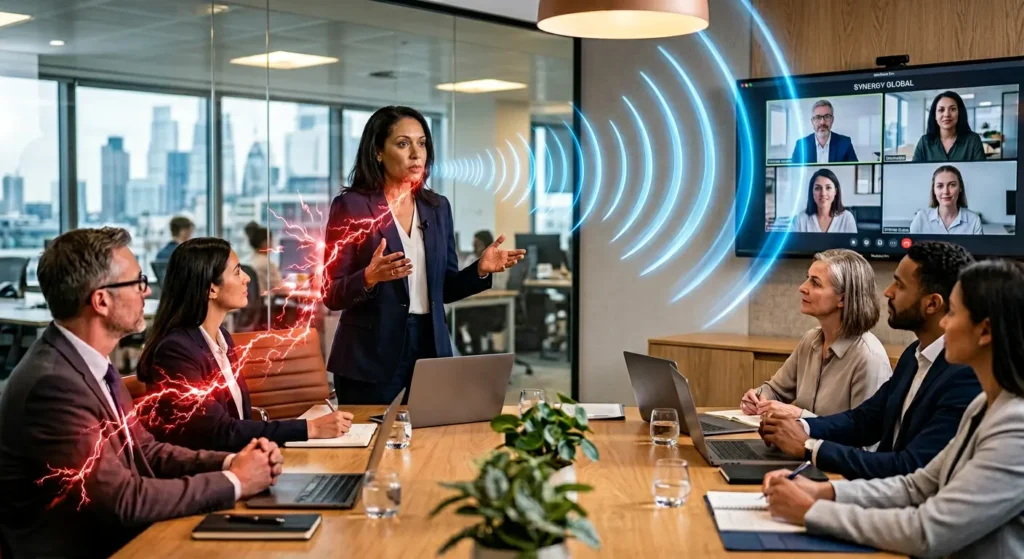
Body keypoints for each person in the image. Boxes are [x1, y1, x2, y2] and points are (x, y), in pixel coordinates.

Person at [0, 228, 282, 558]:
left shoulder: (91, 363)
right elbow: (124, 500)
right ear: (101, 300)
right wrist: (235, 481)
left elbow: (145, 451)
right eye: (137, 282)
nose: (147, 292)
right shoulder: (53, 386)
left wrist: (233, 461)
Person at [763, 259, 1024, 559]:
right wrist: (825, 492)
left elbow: (928, 531)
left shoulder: (1015, 427)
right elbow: (916, 486)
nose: (943, 323)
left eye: (952, 313)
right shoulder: (984, 405)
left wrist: (813, 511)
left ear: (985, 331)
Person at [322, 106, 526, 405]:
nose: (417, 153)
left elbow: (445, 288)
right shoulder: (350, 206)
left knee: (430, 442)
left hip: (429, 345)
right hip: (370, 354)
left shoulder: (437, 207)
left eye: (422, 143)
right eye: (403, 143)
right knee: (373, 444)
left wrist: (479, 270)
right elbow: (331, 293)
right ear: (378, 152)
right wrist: (369, 277)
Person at [761, 242, 981, 479]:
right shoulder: (913, 356)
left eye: (900, 285)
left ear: (932, 304)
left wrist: (808, 446)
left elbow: (910, 467)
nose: (888, 292)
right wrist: (800, 427)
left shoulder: (965, 376)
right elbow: (864, 421)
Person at [136, 237, 353, 452]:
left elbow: (236, 420)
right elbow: (219, 432)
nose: (247, 278)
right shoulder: (176, 351)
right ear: (211, 290)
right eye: (237, 272)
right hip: (208, 475)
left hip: (243, 461)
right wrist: (310, 429)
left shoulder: (221, 338)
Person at [739, 249, 891, 418]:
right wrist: (759, 397)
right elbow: (776, 390)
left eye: (816, 283)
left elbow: (865, 441)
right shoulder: (811, 340)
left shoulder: (869, 358)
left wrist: (799, 416)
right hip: (796, 444)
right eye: (807, 279)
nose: (802, 288)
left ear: (843, 299)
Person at [911, 91, 986, 162]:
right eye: (941, 110)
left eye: (952, 109)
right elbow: (915, 171)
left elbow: (981, 172)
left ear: (960, 113)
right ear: (935, 115)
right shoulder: (924, 142)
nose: (947, 114)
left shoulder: (973, 140)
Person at [909, 165, 983, 235]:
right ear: (934, 190)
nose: (946, 191)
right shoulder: (921, 218)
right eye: (940, 186)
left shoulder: (974, 220)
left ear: (960, 188)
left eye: (952, 185)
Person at [790, 100, 859, 163]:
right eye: (818, 117)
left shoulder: (845, 143)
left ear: (832, 120)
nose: (822, 122)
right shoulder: (801, 145)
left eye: (827, 117)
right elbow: (793, 172)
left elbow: (856, 169)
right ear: (812, 122)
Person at [791, 169, 858, 233]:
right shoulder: (800, 219)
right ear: (812, 191)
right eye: (817, 188)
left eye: (828, 188)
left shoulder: (847, 218)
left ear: (835, 191)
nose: (823, 193)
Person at [244, 221, 283, 292]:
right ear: (265, 243)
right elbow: (279, 288)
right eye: (271, 241)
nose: (272, 244)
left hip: (251, 301)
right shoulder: (267, 264)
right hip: (265, 301)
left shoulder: (246, 260)